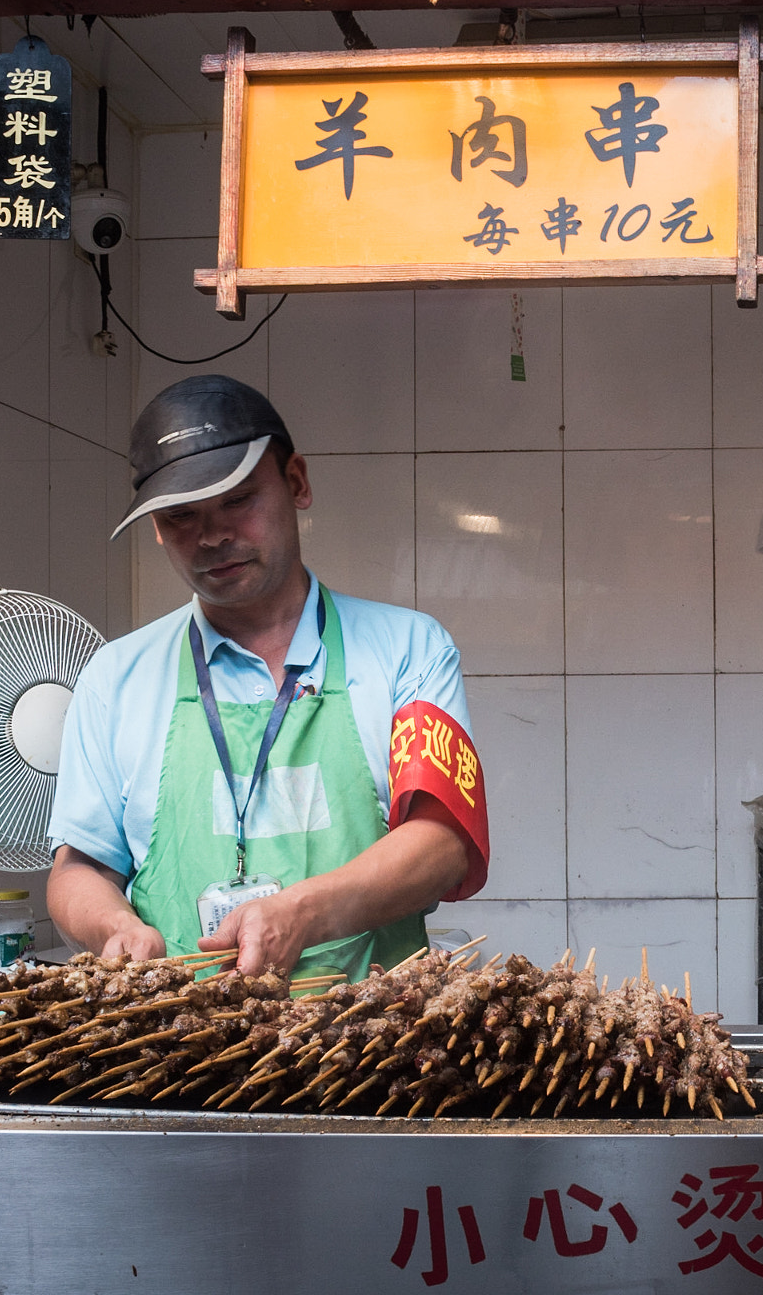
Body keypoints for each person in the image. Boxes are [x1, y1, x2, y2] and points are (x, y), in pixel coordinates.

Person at [46, 375, 488, 978]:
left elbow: (442, 842)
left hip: (374, 1050)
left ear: (297, 483)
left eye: (238, 500)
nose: (213, 536)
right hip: (182, 1056)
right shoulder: (115, 678)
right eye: (181, 517)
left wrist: (302, 912)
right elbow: (80, 868)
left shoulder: (407, 650)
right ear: (154, 526)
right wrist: (114, 927)